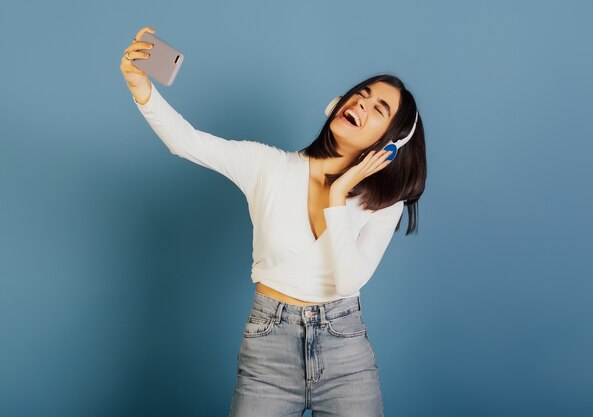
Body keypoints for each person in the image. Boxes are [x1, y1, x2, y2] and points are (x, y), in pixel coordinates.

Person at [120, 26, 427, 417]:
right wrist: (139, 88)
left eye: (378, 109)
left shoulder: (385, 204)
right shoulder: (269, 166)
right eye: (361, 95)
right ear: (339, 102)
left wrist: (339, 193)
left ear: (390, 143)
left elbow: (348, 282)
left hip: (345, 353)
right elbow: (186, 142)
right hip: (269, 349)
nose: (360, 104)